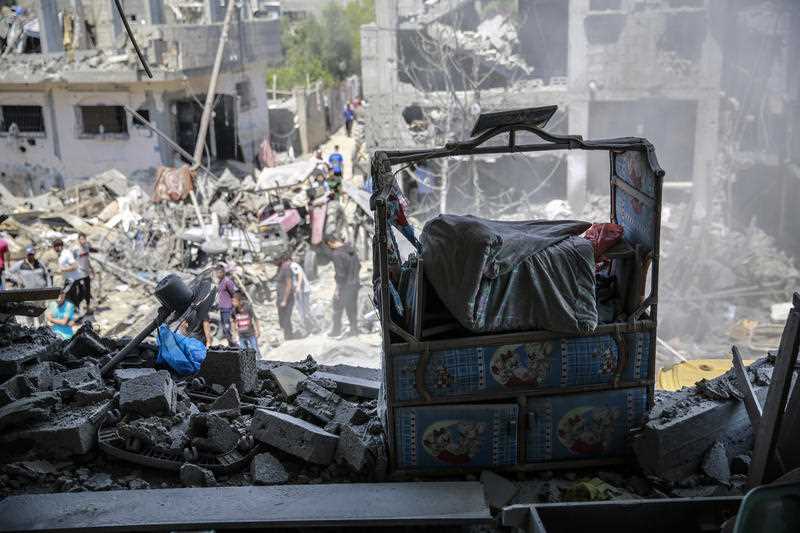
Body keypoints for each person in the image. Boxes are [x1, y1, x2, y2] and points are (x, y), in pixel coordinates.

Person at [323, 235, 361, 337]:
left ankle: (336, 331)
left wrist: (337, 290)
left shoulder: (336, 254)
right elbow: (359, 265)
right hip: (355, 283)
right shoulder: (350, 249)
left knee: (337, 306)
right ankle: (354, 330)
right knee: (352, 308)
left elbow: (340, 275)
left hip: (346, 286)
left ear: (330, 243)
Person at [8, 246, 52, 327]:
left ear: (34, 254)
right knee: (29, 313)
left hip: (40, 293)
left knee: (41, 313)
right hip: (27, 294)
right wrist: (17, 279)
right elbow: (9, 273)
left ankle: (43, 329)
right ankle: (30, 329)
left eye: (32, 254)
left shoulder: (40, 263)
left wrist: (49, 288)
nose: (30, 256)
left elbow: (47, 275)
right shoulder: (20, 264)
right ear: (26, 255)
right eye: (29, 254)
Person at [179, 277, 216, 347]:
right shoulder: (204, 308)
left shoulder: (189, 306)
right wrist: (209, 341)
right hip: (199, 341)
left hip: (189, 339)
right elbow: (206, 325)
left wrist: (185, 337)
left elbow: (182, 325)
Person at [52, 238, 85, 308]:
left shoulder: (66, 254)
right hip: (68, 279)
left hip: (74, 278)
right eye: (54, 246)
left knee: (63, 294)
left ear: (60, 246)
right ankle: (75, 310)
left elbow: (75, 266)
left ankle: (62, 310)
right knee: (71, 296)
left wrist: (62, 270)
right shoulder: (59, 255)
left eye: (56, 246)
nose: (55, 248)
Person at [289, 259, 316, 335]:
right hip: (298, 292)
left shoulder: (293, 265)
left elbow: (300, 274)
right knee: (301, 311)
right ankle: (308, 329)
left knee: (306, 309)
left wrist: (298, 286)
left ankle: (316, 326)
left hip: (303, 290)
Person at [214, 264, 237, 346]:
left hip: (228, 308)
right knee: (224, 328)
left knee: (228, 328)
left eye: (219, 272)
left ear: (223, 272)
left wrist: (234, 308)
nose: (217, 274)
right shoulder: (220, 282)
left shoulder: (228, 281)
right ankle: (231, 345)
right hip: (222, 308)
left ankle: (234, 346)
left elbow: (234, 294)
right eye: (216, 273)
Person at [275, 254, 295, 340]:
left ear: (280, 260)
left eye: (275, 261)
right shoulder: (280, 268)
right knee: (282, 319)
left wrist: (284, 300)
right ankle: (288, 335)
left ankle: (289, 337)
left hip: (286, 298)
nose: (273, 263)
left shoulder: (286, 268)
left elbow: (289, 285)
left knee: (286, 318)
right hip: (280, 298)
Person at [76, 233, 96, 315]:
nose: (82, 241)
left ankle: (87, 307)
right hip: (80, 274)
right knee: (81, 292)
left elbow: (87, 260)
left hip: (86, 273)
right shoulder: (76, 249)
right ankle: (76, 307)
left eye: (84, 239)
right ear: (78, 240)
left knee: (88, 291)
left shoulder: (86, 248)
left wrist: (91, 269)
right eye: (81, 239)